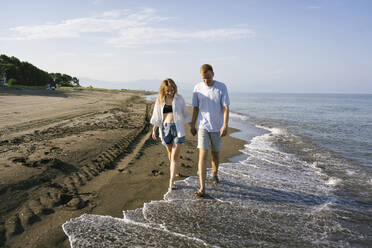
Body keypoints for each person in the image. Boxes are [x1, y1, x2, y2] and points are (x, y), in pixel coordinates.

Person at [191, 64, 230, 197]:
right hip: (203, 126)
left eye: (208, 78)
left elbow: (225, 107)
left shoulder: (221, 87)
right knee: (202, 155)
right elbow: (195, 108)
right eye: (203, 79)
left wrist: (225, 124)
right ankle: (202, 187)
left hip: (217, 127)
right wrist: (192, 124)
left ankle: (215, 173)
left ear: (213, 74)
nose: (206, 81)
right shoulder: (197, 88)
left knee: (215, 155)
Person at [150, 78, 191, 190]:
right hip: (165, 129)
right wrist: (154, 130)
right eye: (168, 90)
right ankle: (175, 170)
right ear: (164, 90)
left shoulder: (179, 98)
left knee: (174, 156)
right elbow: (157, 117)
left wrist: (192, 126)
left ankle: (171, 181)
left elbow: (186, 113)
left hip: (178, 129)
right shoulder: (160, 100)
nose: (171, 92)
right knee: (170, 153)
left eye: (172, 90)